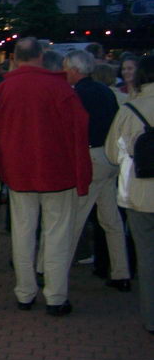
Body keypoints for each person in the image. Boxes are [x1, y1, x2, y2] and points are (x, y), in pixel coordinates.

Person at [0, 38, 92, 316]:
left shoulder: (5, 89)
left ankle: (25, 292)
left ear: (16, 59)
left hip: (19, 173)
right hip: (58, 172)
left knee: (22, 233)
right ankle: (55, 296)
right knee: (57, 235)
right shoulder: (60, 87)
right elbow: (80, 129)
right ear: (41, 57)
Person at [61, 51, 130, 293]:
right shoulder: (105, 92)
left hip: (91, 159)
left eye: (66, 68)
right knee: (111, 219)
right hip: (110, 158)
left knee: (75, 219)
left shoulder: (76, 94)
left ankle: (58, 274)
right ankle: (121, 271)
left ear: (74, 70)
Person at [105, 56, 154, 335]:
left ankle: (151, 317)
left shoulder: (130, 109)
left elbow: (113, 153)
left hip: (140, 193)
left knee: (146, 258)